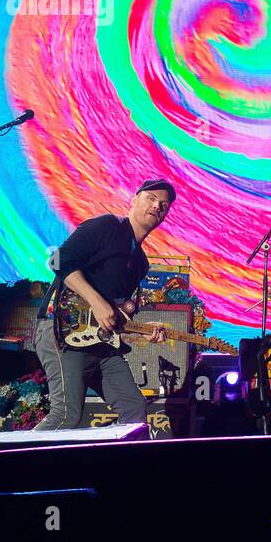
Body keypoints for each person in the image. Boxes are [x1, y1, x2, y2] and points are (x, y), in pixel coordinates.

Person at [32, 179, 175, 431]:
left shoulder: (141, 263)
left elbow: (112, 314)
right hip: (63, 331)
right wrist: (96, 301)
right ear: (135, 199)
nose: (157, 206)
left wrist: (142, 328)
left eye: (164, 204)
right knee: (65, 415)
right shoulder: (108, 226)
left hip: (99, 341)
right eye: (151, 198)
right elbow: (57, 260)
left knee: (134, 409)